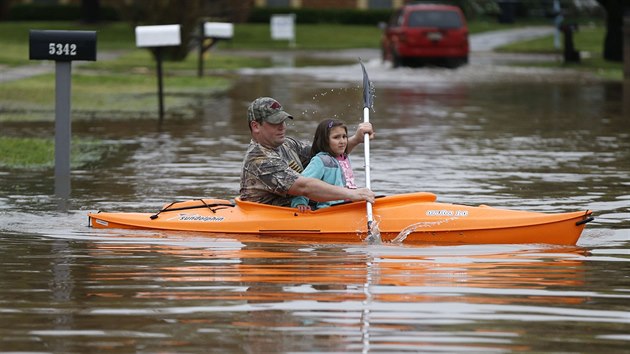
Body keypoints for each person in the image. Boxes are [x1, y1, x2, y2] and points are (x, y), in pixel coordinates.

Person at [239, 96, 375, 207]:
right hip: (270, 218)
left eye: (283, 121)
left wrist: (356, 139)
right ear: (256, 126)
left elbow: (326, 155)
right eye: (275, 123)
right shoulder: (259, 160)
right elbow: (304, 187)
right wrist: (352, 194)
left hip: (301, 211)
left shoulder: (287, 144)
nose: (282, 127)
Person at [291, 119, 357, 212]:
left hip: (348, 206)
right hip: (329, 210)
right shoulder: (320, 161)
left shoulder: (344, 157)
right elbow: (303, 184)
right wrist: (299, 202)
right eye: (336, 137)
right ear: (325, 140)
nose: (342, 141)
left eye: (344, 136)